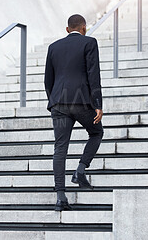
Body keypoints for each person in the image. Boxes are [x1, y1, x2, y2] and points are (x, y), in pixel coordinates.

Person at [44, 14, 104, 211]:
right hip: (82, 102)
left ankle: (61, 197)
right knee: (96, 133)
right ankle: (80, 170)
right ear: (84, 28)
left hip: (59, 104)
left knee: (60, 148)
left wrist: (54, 101)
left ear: (67, 29)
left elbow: (48, 80)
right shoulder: (89, 43)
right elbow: (93, 75)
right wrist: (98, 104)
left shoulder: (54, 47)